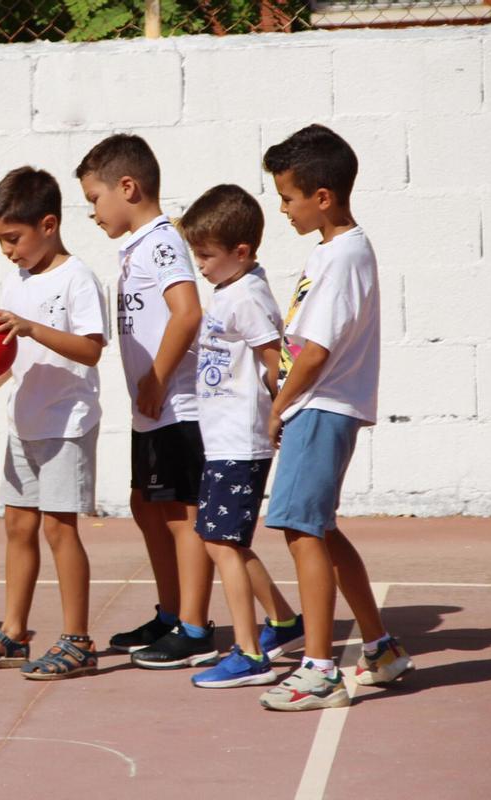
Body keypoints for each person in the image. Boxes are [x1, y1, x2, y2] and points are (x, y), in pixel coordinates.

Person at [256, 125, 414, 711]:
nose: (282, 207)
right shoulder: (333, 250)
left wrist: (278, 405)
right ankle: (381, 648)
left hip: (319, 405)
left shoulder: (343, 255)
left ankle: (319, 668)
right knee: (318, 527)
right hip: (320, 403)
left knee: (300, 530)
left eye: (289, 197)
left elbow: (316, 349)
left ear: (323, 196)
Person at [0, 166, 109, 679]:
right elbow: (9, 360)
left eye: (12, 238)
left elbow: (91, 348)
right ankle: (13, 633)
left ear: (48, 224)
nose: (7, 251)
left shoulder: (77, 278)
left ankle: (77, 640)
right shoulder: (14, 280)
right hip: (26, 422)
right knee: (18, 525)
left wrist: (33, 328)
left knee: (61, 531)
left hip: (65, 424)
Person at [76, 134, 217, 669]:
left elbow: (187, 313)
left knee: (182, 515)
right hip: (151, 411)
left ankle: (195, 628)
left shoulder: (162, 242)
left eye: (94, 198)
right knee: (146, 505)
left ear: (127, 187)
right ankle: (171, 611)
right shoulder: (137, 246)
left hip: (177, 405)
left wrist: (157, 379)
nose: (92, 211)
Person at [175, 184, 305, 689]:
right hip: (222, 439)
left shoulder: (247, 296)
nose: (201, 265)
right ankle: (283, 621)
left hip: (240, 442)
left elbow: (278, 364)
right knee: (218, 539)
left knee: (221, 543)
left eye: (206, 255)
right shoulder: (229, 290)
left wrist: (279, 415)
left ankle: (250, 654)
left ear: (241, 252)